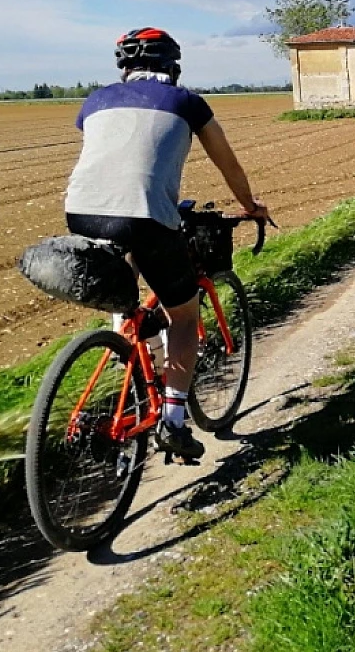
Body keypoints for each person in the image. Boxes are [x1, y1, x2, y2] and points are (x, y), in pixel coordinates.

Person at [64, 27, 270, 460]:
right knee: (182, 314)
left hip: (81, 211)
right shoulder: (187, 102)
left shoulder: (95, 102)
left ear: (124, 68)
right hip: (145, 216)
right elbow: (227, 161)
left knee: (126, 285)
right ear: (172, 67)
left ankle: (132, 357)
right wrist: (250, 205)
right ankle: (173, 421)